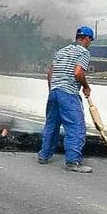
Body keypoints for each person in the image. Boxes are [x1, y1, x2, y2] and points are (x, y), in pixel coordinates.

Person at [37, 25, 94, 173]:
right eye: (90, 40)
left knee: (51, 125)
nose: (89, 43)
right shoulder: (83, 52)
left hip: (54, 92)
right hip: (68, 93)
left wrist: (53, 91)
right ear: (86, 38)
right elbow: (78, 73)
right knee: (76, 127)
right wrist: (86, 87)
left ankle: (44, 155)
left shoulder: (61, 51)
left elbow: (50, 74)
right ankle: (73, 161)